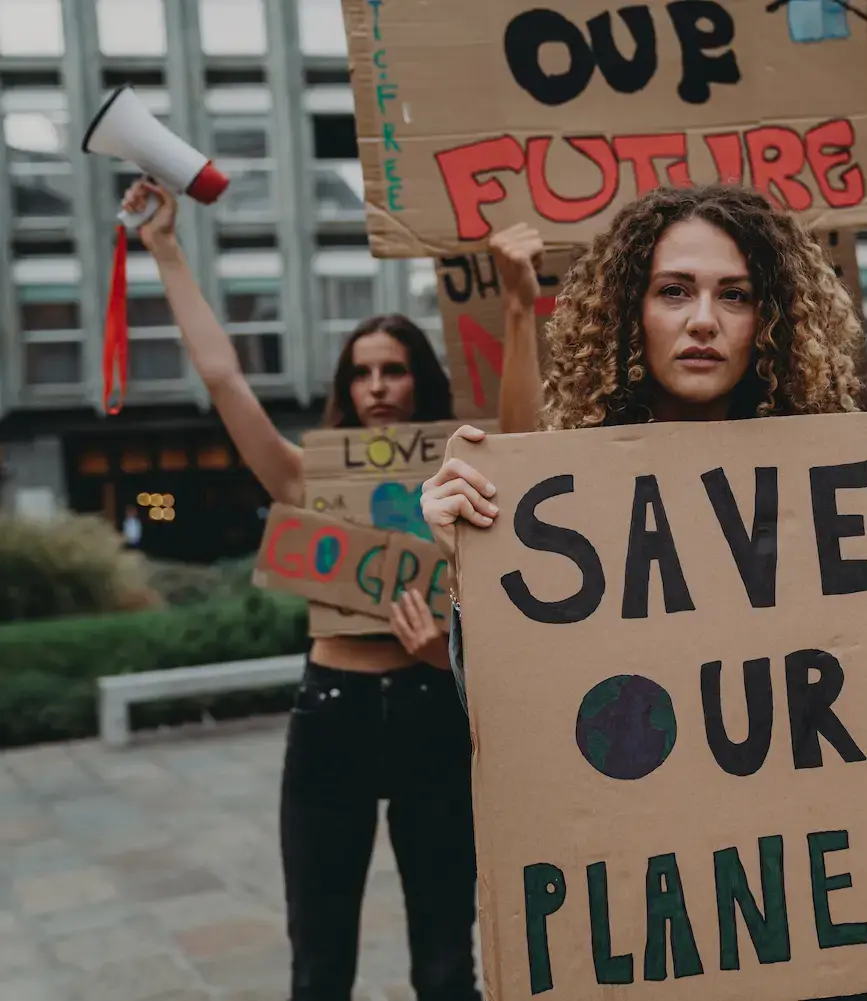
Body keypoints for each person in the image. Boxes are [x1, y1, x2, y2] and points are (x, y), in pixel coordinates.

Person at [420, 183, 867, 1000]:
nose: (703, 318)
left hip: (853, 924)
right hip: (681, 939)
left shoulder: (832, 487)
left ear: (769, 319)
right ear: (629, 311)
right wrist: (474, 569)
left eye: (734, 295)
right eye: (674, 290)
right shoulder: (568, 510)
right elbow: (518, 727)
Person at [123, 178, 484, 1001]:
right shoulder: (303, 477)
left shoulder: (468, 472)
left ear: (421, 381)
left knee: (444, 964)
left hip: (434, 712)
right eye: (363, 373)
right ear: (346, 388)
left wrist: (446, 650)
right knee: (319, 969)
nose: (379, 386)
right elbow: (225, 383)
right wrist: (167, 250)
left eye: (395, 370)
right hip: (333, 715)